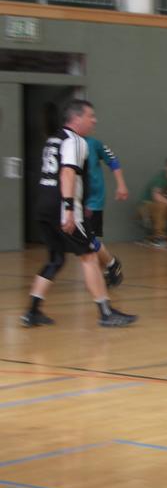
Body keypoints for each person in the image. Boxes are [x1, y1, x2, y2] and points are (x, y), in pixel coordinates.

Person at [21, 99, 136, 328]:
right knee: (89, 256)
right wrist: (68, 208)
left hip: (43, 205)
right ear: (76, 118)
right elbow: (67, 174)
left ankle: (32, 312)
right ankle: (106, 313)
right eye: (90, 116)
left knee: (56, 259)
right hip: (61, 207)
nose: (94, 120)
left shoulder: (53, 139)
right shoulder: (75, 141)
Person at [83, 134, 128, 286]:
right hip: (76, 200)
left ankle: (111, 265)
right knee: (88, 242)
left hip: (92, 201)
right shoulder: (67, 142)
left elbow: (112, 160)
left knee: (89, 240)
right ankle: (109, 267)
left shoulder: (94, 144)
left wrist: (121, 185)